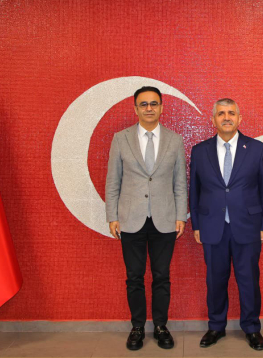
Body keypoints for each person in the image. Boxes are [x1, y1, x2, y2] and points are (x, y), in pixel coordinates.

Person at [105, 86, 187, 351]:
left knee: (162, 276)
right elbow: (113, 181)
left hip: (165, 218)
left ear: (161, 107)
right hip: (131, 219)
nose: (149, 108)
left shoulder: (175, 140)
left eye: (154, 103)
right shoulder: (121, 139)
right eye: (144, 104)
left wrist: (181, 215)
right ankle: (137, 327)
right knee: (134, 277)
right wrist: (112, 215)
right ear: (135, 108)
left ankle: (161, 326)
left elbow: (180, 182)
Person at [189, 98, 263, 351]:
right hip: (212, 226)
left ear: (239, 118)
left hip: (248, 225)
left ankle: (252, 328)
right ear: (213, 119)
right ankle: (216, 326)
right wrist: (196, 225)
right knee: (215, 280)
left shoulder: (257, 149)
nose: (226, 117)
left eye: (231, 113)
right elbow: (194, 191)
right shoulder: (199, 151)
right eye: (221, 113)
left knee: (248, 280)